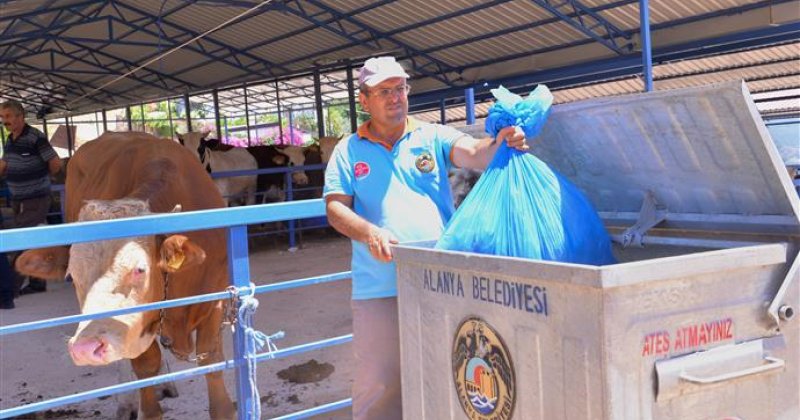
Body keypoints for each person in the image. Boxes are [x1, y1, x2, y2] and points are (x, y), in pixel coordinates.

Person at [323, 56, 527, 419]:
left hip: (439, 283)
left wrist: (501, 142)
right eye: (384, 91)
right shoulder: (347, 150)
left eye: (400, 88)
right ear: (364, 99)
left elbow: (475, 153)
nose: (394, 97)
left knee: (447, 372)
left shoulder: (431, 135)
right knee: (380, 381)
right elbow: (336, 208)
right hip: (379, 287)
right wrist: (369, 232)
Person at [0, 100, 61, 297]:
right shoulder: (11, 139)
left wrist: (43, 179)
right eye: (2, 117)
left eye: (8, 116)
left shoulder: (36, 137)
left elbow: (55, 162)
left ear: (20, 116)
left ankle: (10, 289)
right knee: (35, 239)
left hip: (36, 198)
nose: (4, 120)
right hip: (19, 198)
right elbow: (5, 163)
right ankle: (37, 283)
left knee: (20, 239)